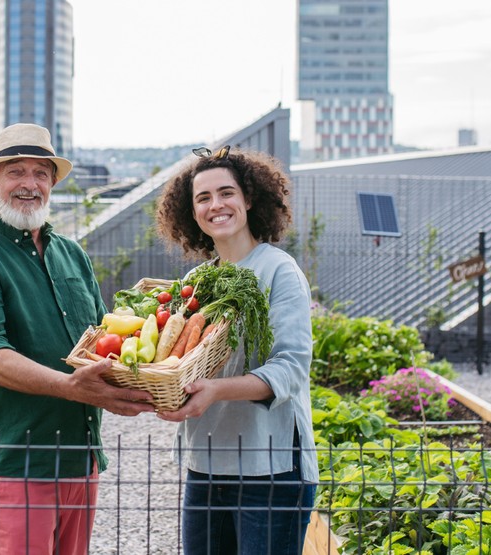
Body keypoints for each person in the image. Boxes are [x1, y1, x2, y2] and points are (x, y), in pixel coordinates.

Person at [0, 123, 154, 555]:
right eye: (16, 171)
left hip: (80, 457)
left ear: (52, 183)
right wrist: (72, 387)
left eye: (41, 173)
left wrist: (151, 380)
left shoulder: (70, 253)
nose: (29, 184)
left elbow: (98, 340)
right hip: (20, 459)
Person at [154, 146, 319, 555]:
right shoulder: (197, 280)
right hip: (205, 463)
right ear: (191, 214)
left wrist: (215, 389)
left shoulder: (278, 270)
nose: (216, 205)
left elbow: (291, 368)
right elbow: (176, 360)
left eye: (226, 193)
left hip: (271, 468)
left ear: (248, 199)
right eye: (203, 198)